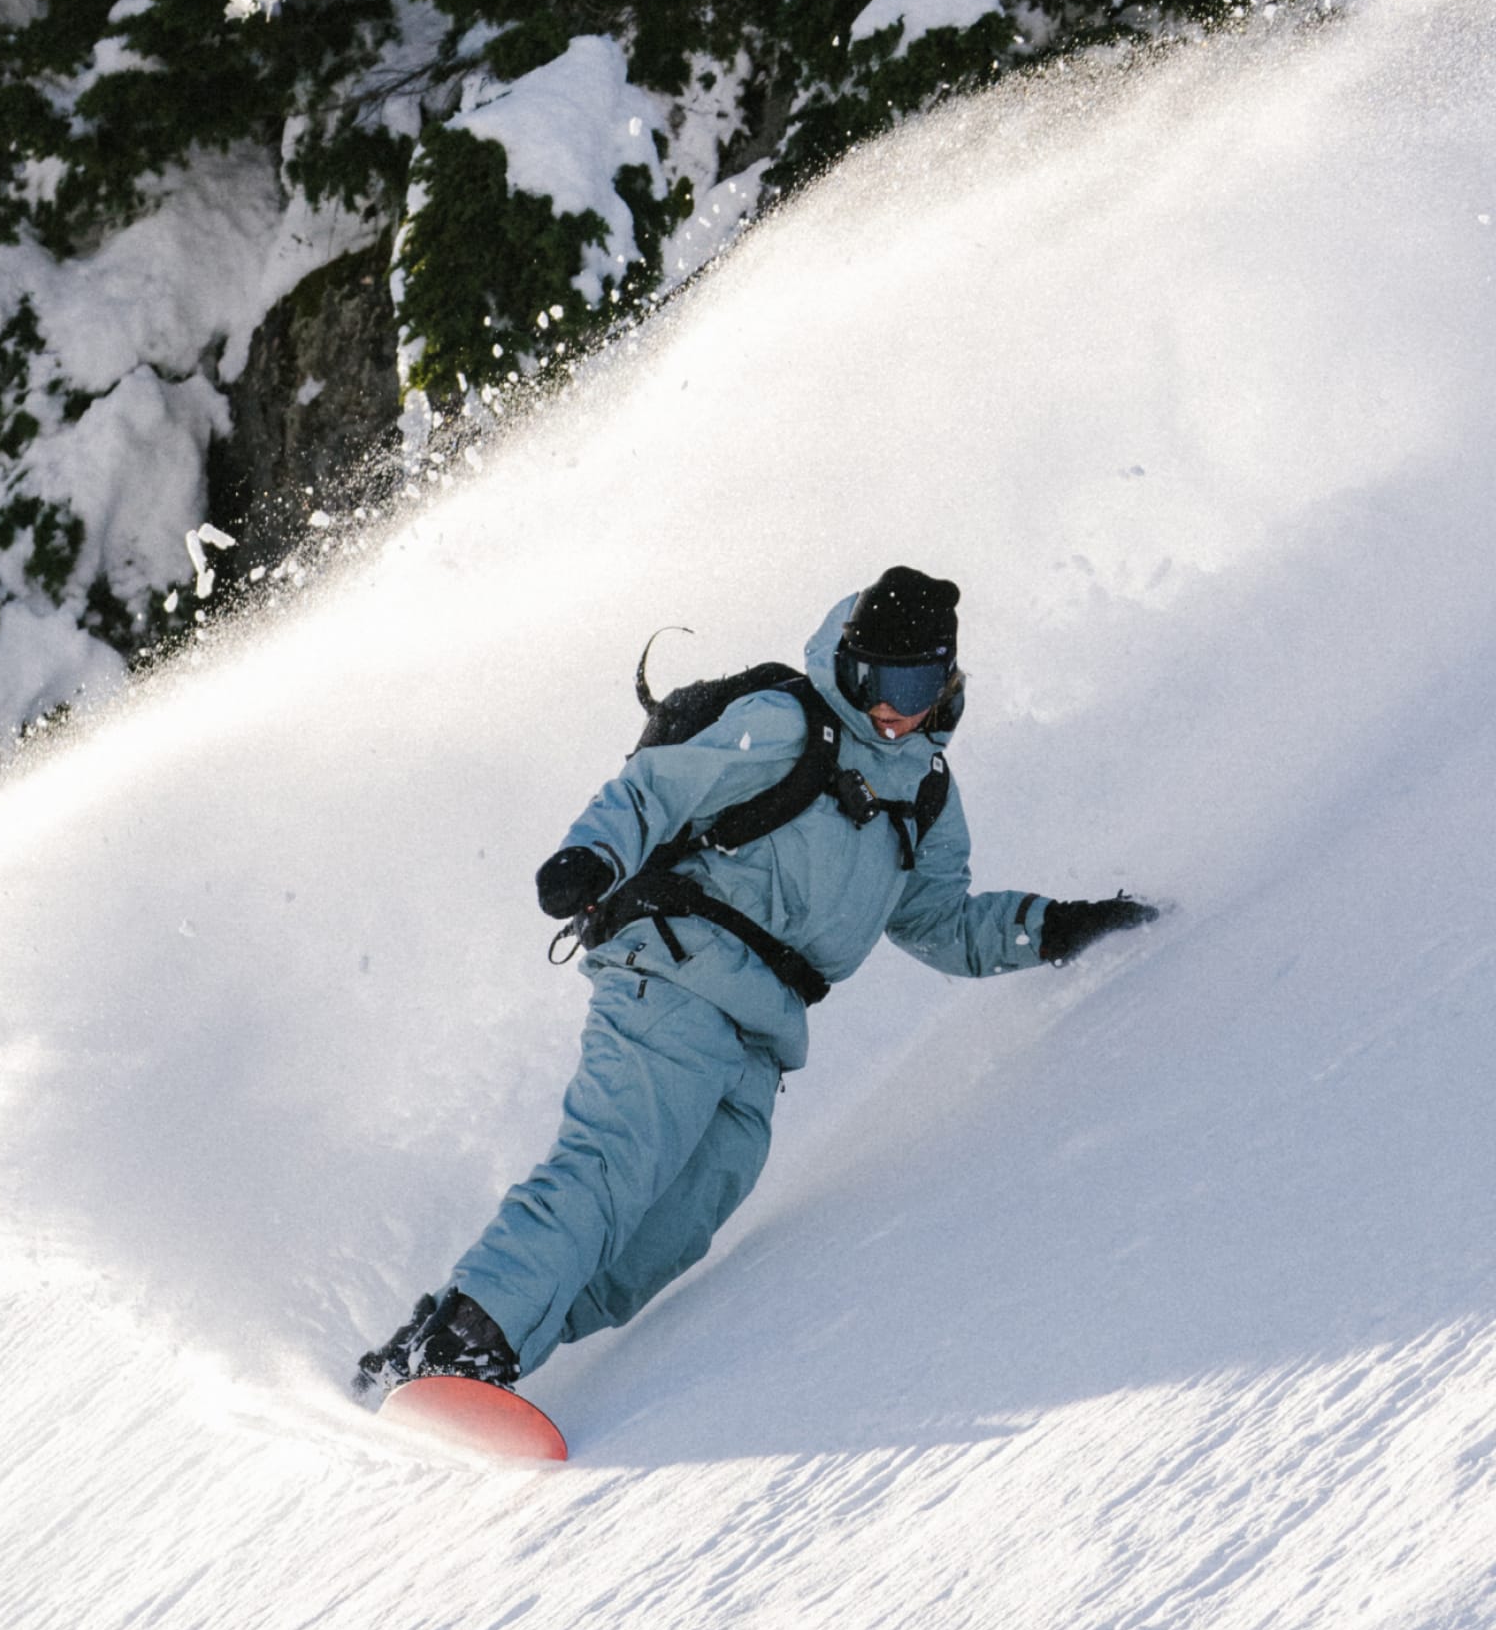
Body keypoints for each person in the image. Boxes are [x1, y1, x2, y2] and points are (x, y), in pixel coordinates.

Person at [354, 567, 1157, 1402]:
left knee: (665, 1235)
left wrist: (1055, 928)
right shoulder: (784, 726)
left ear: (945, 679)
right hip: (673, 974)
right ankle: (466, 1343)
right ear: (847, 667)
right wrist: (591, 857)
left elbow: (940, 924)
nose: (893, 704)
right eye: (875, 679)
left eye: (915, 682)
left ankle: (449, 1350)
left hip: (762, 1040)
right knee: (611, 1164)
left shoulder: (924, 794)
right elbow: (653, 794)